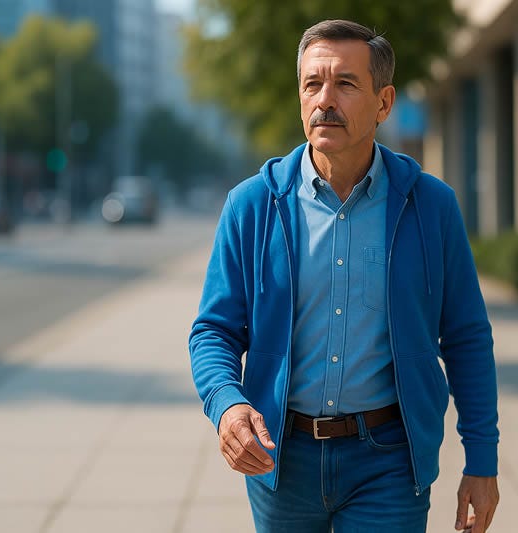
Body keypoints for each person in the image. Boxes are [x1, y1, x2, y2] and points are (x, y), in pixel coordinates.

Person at [189, 19, 500, 533]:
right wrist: (227, 405)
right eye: (312, 84)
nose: (324, 100)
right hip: (280, 460)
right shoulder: (252, 205)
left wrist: (481, 460)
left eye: (346, 84)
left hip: (388, 462)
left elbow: (466, 338)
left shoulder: (431, 206)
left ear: (384, 103)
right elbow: (214, 331)